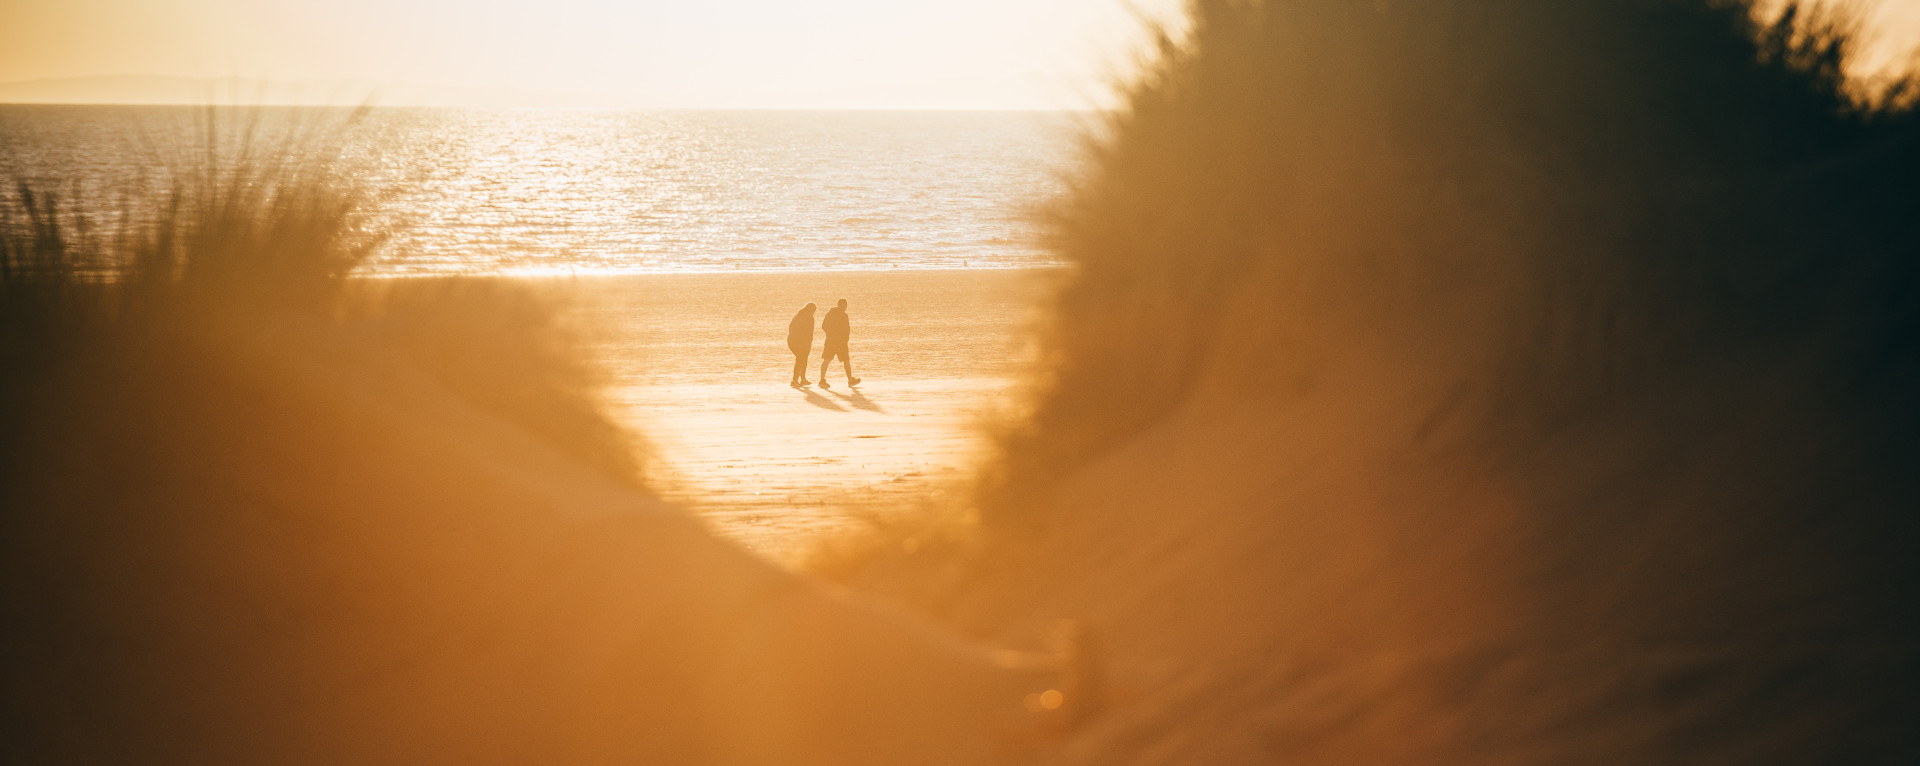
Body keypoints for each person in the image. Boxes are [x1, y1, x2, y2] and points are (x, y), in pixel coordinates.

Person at [819, 298, 860, 389]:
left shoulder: (829, 314)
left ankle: (822, 380)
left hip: (830, 341)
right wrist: (845, 340)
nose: (845, 307)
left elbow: (823, 326)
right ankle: (850, 380)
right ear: (841, 305)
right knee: (846, 361)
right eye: (844, 305)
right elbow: (846, 330)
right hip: (841, 342)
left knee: (826, 360)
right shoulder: (844, 315)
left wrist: (830, 335)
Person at [787, 302, 816, 387]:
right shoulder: (810, 317)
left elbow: (790, 327)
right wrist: (809, 343)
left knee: (802, 359)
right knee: (801, 359)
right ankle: (795, 380)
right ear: (811, 310)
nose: (814, 312)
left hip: (791, 341)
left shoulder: (797, 316)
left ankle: (802, 379)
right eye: (814, 310)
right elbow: (810, 332)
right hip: (801, 342)